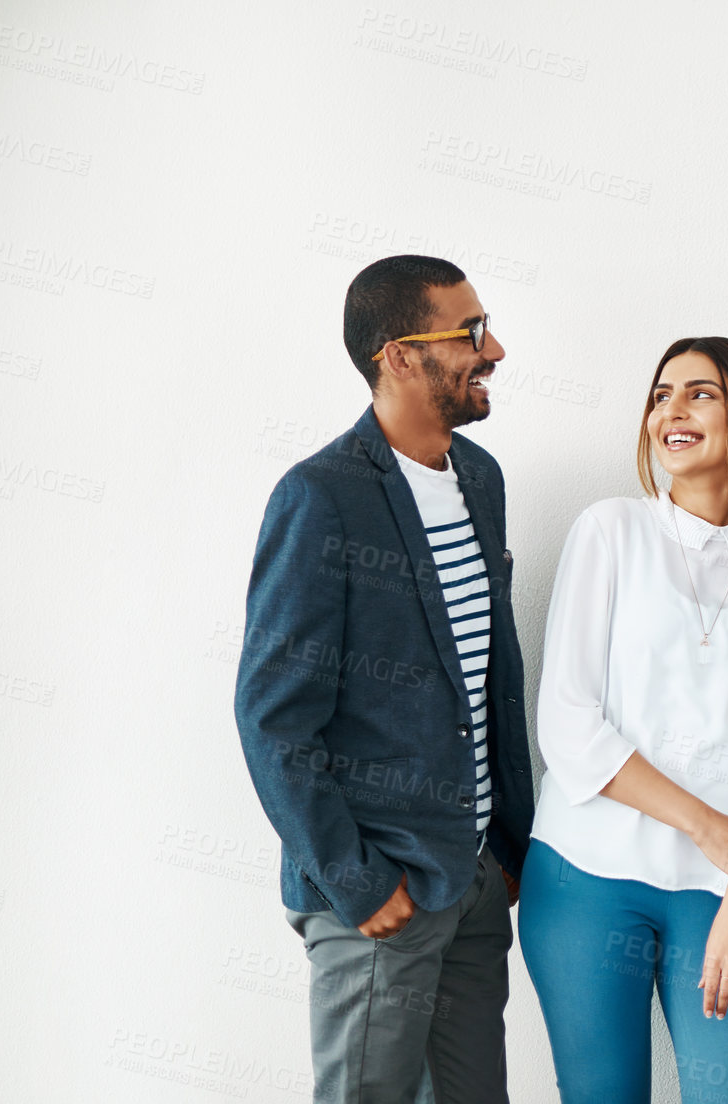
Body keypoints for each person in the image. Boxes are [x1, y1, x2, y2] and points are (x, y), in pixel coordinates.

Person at [235, 254, 534, 1103]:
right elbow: (272, 719)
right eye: (470, 332)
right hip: (380, 896)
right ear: (400, 355)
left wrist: (504, 847)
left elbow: (485, 676)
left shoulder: (480, 479)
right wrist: (361, 883)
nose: (496, 349)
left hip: (475, 882)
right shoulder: (321, 497)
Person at [518, 336, 728, 1104]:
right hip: (584, 877)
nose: (671, 411)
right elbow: (569, 726)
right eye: (660, 395)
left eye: (700, 394)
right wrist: (709, 826)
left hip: (724, 891)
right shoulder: (610, 530)